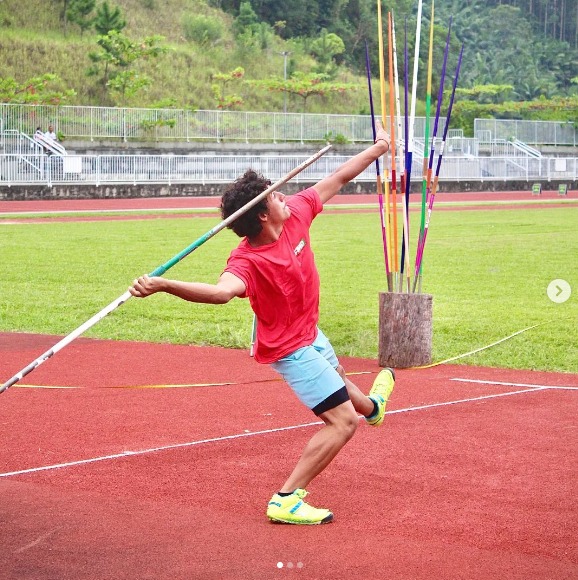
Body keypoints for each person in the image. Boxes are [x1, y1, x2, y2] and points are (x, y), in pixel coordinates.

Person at [129, 122, 396, 525]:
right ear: (263, 215)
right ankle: (286, 498)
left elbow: (339, 176)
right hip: (288, 347)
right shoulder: (247, 261)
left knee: (339, 378)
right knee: (341, 423)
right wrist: (163, 284)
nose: (284, 195)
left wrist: (379, 148)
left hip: (309, 330)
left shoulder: (297, 214)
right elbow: (221, 293)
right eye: (275, 196)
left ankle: (373, 408)